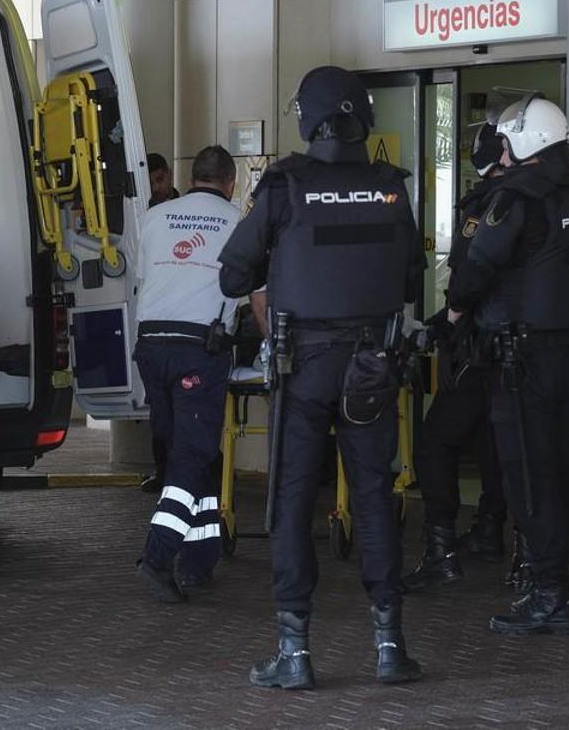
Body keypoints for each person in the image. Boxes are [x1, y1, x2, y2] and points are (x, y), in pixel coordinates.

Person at [218, 66, 426, 689]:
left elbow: (233, 275)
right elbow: (412, 279)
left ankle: (296, 654)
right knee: (373, 498)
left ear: (308, 118)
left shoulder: (286, 185)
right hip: (372, 367)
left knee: (291, 501)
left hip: (303, 366)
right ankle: (390, 647)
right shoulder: (392, 186)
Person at [447, 95, 569, 635]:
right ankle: (555, 568)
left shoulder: (517, 196)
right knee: (562, 456)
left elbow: (477, 266)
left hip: (520, 355)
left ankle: (549, 594)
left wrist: (453, 313)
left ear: (522, 140)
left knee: (528, 472)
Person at [402, 123, 507, 593]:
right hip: (522, 350)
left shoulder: (496, 205)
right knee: (499, 443)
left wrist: (450, 317)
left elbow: (473, 274)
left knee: (435, 442)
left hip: (480, 346)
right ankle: (497, 534)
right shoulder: (548, 197)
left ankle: (440, 548)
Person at [134, 144, 240, 601]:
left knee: (193, 454)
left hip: (152, 346)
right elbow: (256, 292)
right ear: (231, 182)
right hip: (200, 349)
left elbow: (142, 276)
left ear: (192, 176)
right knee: (190, 458)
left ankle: (200, 558)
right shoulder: (239, 223)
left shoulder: (155, 217)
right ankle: (157, 557)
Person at [139, 152, 183, 493]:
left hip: (183, 321)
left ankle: (190, 469)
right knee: (161, 411)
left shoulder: (184, 212)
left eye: (161, 179)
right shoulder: (143, 214)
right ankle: (163, 469)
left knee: (187, 408)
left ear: (169, 175)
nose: (158, 187)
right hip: (156, 322)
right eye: (152, 182)